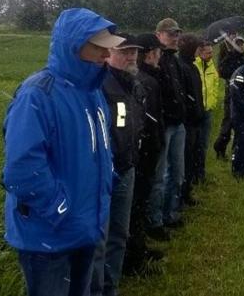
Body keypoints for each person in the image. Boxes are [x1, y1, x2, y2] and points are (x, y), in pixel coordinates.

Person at [2, 8, 124, 296]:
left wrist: (105, 190)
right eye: (99, 49)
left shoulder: (93, 92)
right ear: (74, 46)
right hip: (49, 238)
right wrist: (61, 210)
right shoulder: (37, 95)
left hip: (85, 226)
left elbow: (101, 151)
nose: (107, 56)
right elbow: (22, 170)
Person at [91, 34, 143, 296]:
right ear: (109, 54)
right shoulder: (101, 85)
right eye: (124, 51)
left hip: (127, 168)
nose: (131, 55)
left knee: (119, 235)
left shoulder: (132, 83)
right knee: (99, 239)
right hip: (104, 173)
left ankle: (111, 287)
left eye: (134, 51)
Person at [126, 33, 172, 257]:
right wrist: (151, 143)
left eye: (133, 53)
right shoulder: (144, 82)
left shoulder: (149, 78)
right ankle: (136, 248)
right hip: (143, 150)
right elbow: (145, 119)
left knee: (141, 196)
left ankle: (139, 244)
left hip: (147, 146)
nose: (159, 55)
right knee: (139, 197)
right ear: (151, 54)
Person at [154, 18, 187, 228]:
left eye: (176, 34)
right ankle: (156, 221)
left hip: (178, 124)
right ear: (159, 35)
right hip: (164, 126)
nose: (175, 38)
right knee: (161, 176)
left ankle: (171, 213)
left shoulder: (175, 60)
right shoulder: (155, 60)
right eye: (170, 34)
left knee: (177, 172)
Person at [178, 33, 205, 205]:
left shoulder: (191, 67)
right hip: (188, 122)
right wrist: (193, 113)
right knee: (185, 160)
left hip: (194, 121)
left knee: (191, 157)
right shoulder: (183, 67)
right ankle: (183, 194)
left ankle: (187, 191)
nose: (198, 51)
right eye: (196, 47)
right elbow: (186, 96)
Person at [213, 35, 244, 159]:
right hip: (231, 94)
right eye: (238, 44)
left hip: (243, 95)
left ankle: (237, 153)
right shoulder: (228, 56)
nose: (240, 46)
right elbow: (222, 72)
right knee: (228, 122)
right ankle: (220, 146)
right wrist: (230, 55)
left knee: (240, 125)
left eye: (242, 44)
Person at [193, 40, 219, 182]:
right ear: (200, 52)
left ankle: (201, 173)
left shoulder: (211, 66)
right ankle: (193, 174)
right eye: (208, 52)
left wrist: (213, 102)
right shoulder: (194, 65)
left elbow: (215, 84)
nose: (211, 55)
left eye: (211, 52)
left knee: (203, 144)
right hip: (197, 111)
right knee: (194, 144)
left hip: (207, 111)